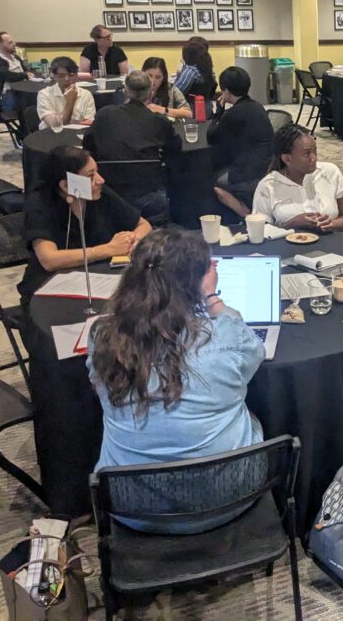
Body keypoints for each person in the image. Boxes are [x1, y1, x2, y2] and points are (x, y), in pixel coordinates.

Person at [87, 228, 264, 534]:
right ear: (195, 283)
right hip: (229, 498)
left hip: (131, 505)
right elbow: (255, 355)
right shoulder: (225, 335)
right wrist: (211, 297)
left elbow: (97, 389)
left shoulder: (102, 336)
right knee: (250, 416)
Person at [18, 146, 151, 303]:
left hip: (98, 281)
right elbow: (49, 259)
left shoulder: (99, 193)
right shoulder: (40, 204)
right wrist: (108, 249)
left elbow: (144, 225)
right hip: (50, 290)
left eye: (96, 171)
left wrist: (132, 238)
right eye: (90, 175)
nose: (100, 180)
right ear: (66, 186)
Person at [83, 70, 182, 226]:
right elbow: (175, 149)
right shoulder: (159, 121)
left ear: (125, 91)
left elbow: (88, 146)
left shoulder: (104, 115)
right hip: (149, 194)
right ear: (151, 93)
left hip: (109, 191)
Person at [251, 124, 343, 232]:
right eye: (306, 154)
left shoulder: (330, 172)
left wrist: (331, 224)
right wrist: (290, 225)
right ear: (287, 159)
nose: (314, 158)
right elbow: (260, 231)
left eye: (315, 151)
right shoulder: (268, 186)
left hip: (331, 244)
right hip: (287, 247)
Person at [208, 66, 273, 217]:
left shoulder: (233, 114)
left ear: (226, 91)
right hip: (266, 166)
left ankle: (242, 211)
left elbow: (211, 135)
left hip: (245, 174)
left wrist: (218, 112)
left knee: (208, 178)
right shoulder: (258, 107)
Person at [35, 56, 96, 130]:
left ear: (76, 75)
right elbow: (55, 125)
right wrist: (70, 102)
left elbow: (89, 124)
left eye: (71, 75)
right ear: (54, 76)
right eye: (61, 76)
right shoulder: (44, 94)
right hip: (51, 136)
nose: (67, 79)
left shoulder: (86, 94)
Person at [0, 31, 30, 111]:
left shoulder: (15, 57)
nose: (14, 44)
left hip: (22, 90)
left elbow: (27, 71)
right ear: (0, 45)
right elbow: (8, 76)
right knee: (33, 103)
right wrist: (24, 75)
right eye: (10, 42)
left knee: (40, 96)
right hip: (7, 95)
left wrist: (29, 74)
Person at [172, 39, 217, 105]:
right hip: (205, 107)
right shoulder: (207, 69)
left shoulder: (191, 71)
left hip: (190, 109)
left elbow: (175, 93)